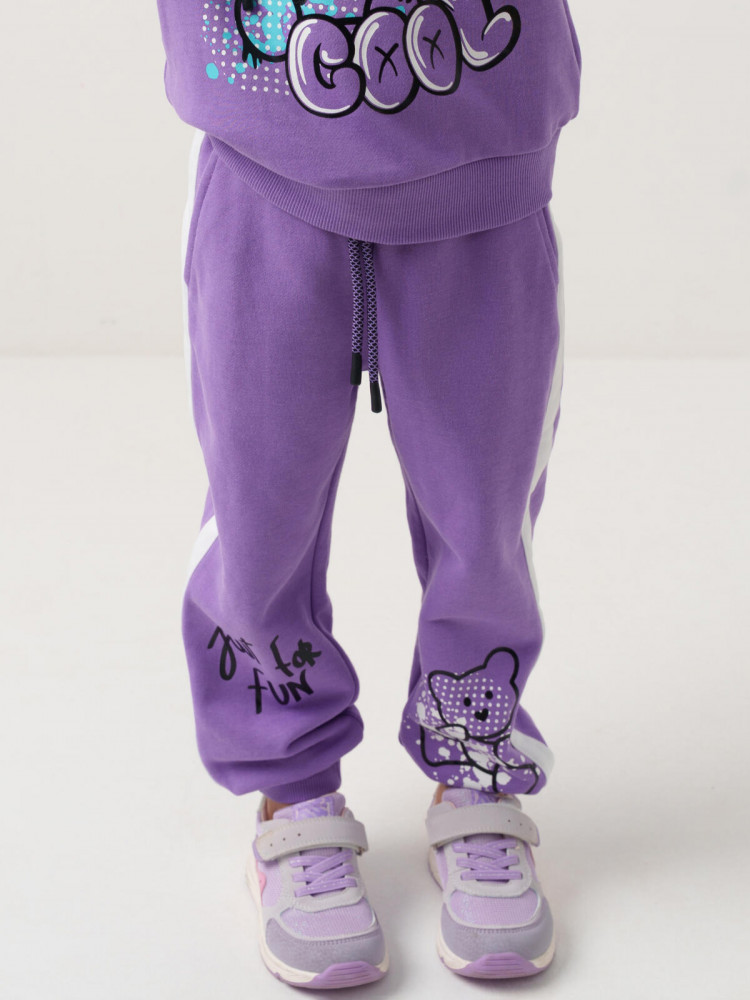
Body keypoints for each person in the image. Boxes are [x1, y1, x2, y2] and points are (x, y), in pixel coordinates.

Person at [156, 0, 581, 987]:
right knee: (258, 511)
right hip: (265, 161)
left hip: (483, 156)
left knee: (486, 511)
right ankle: (292, 788)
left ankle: (474, 765)